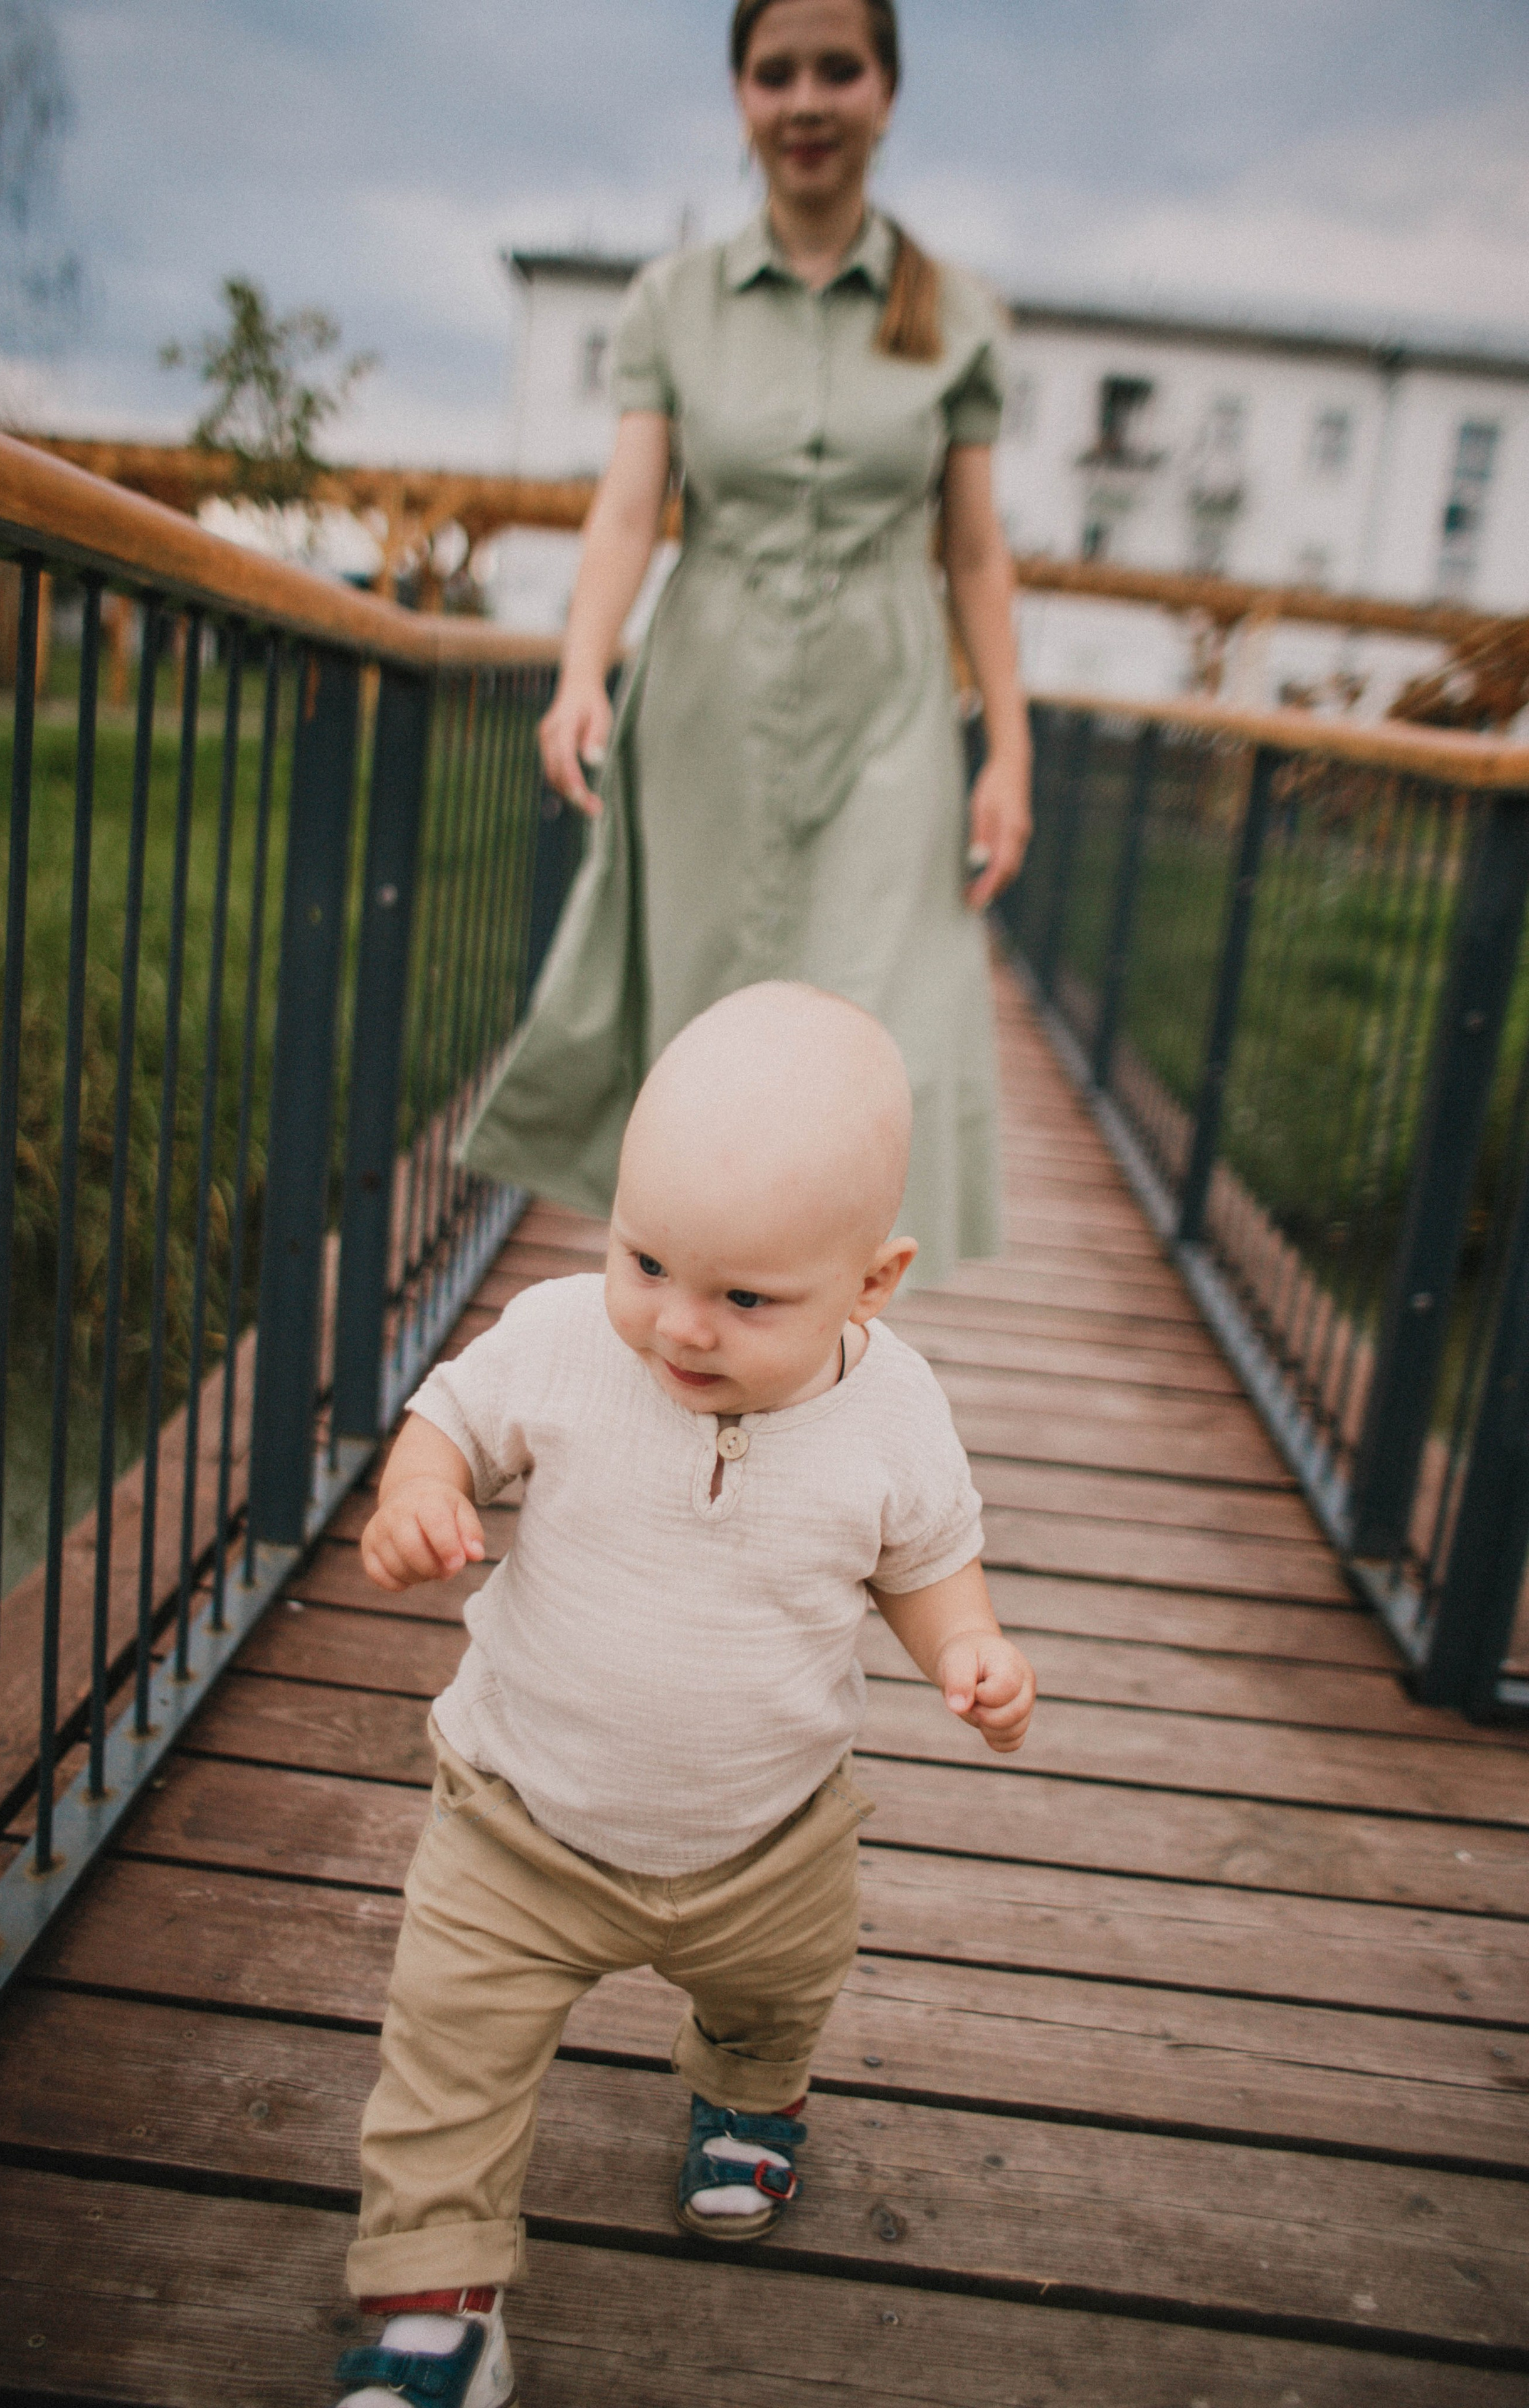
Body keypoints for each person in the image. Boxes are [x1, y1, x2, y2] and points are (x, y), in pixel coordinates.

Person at [332, 983, 1036, 2408]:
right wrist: (416, 1494)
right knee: (446, 2057)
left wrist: (967, 1647)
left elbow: (927, 1562)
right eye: (644, 1258)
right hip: (516, 1825)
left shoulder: (891, 1412)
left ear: (872, 1283)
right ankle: (432, 2302)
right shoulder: (559, 1338)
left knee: (778, 1993)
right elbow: (450, 1425)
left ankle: (749, 2093)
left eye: (744, 1298)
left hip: (764, 1839)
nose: (679, 1326)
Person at [462, 0, 1031, 1288]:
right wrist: (577, 670)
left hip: (888, 699)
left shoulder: (956, 314)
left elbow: (978, 555)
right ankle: (686, 1321)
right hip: (709, 688)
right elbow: (625, 511)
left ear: (886, 93)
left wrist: (1010, 751)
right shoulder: (673, 301)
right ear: (739, 99)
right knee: (700, 1011)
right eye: (776, 74)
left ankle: (836, 1337)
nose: (807, 101)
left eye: (839, 69)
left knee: (876, 1018)